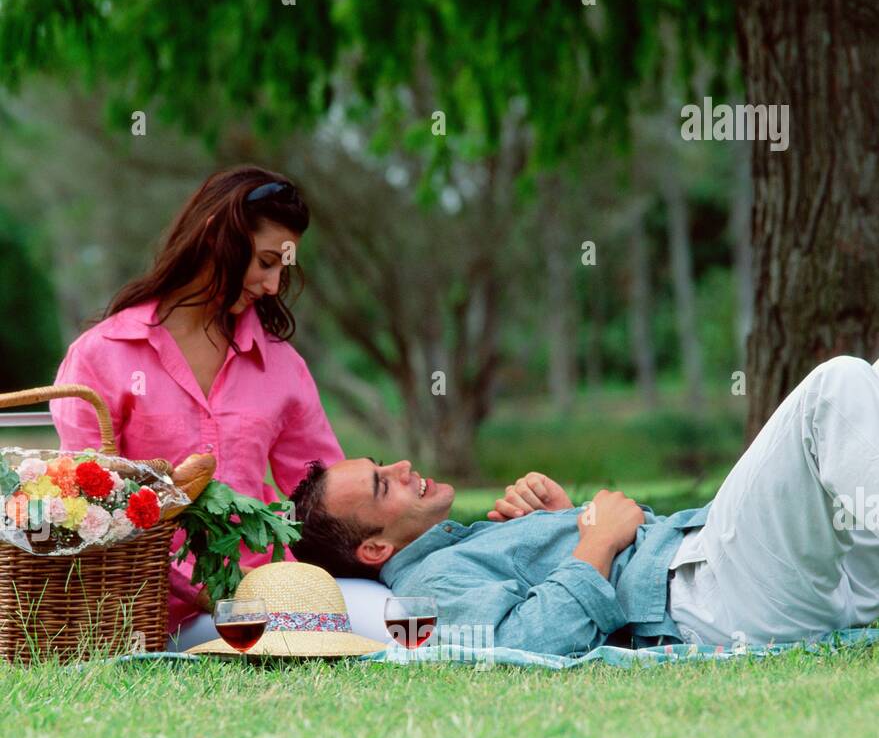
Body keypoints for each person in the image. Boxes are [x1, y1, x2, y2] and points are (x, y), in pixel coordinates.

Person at [290, 356, 879, 656]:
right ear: (375, 548)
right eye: (382, 485)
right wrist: (597, 541)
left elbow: (558, 593)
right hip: (717, 593)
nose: (400, 467)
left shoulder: (460, 545)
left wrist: (566, 520)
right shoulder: (430, 583)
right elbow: (525, 645)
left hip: (801, 582)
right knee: (835, 385)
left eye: (382, 464)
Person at [49, 165, 344, 644]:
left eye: (282, 269)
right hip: (148, 610)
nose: (273, 286)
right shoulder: (101, 356)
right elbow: (91, 508)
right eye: (266, 262)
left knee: (391, 617)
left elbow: (322, 495)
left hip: (270, 594)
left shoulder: (282, 366)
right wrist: (209, 588)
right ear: (215, 236)